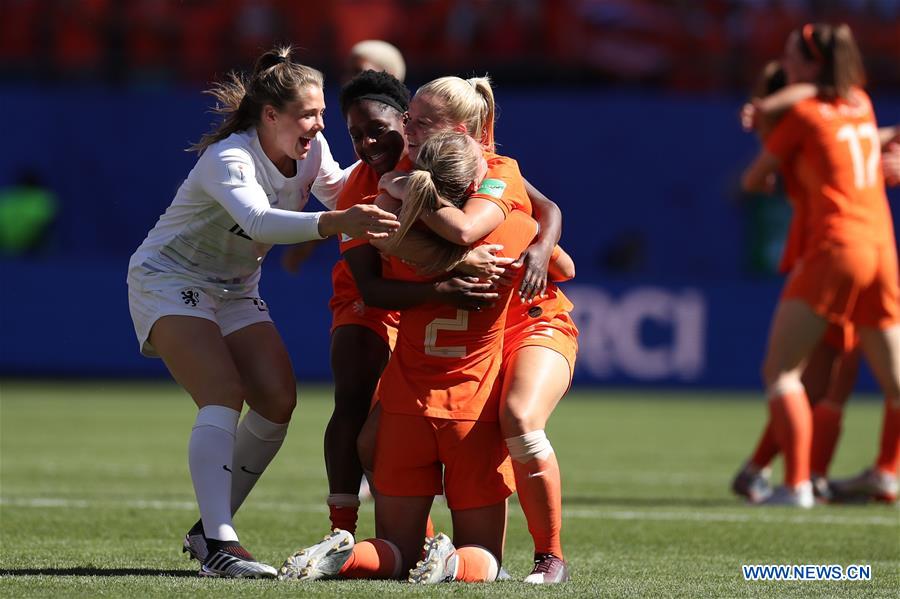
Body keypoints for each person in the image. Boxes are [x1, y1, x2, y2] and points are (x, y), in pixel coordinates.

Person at [126, 46, 399, 578]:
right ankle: (222, 543)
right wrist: (340, 222)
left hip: (233, 287)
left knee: (277, 401)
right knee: (223, 394)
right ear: (270, 115)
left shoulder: (312, 148)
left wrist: (402, 175)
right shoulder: (229, 157)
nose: (320, 124)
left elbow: (343, 188)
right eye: (309, 113)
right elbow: (259, 221)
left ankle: (207, 530)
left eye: (322, 113)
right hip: (169, 277)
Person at [279, 131, 540, 584]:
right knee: (484, 557)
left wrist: (397, 191)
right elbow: (564, 267)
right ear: (474, 181)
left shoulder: (389, 238)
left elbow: (373, 277)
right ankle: (453, 562)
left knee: (397, 552)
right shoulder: (512, 229)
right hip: (471, 411)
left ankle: (347, 557)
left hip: (404, 410)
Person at [387, 75, 577, 582]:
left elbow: (474, 230)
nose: (407, 128)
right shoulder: (412, 168)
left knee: (518, 416)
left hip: (533, 317)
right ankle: (421, 549)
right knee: (371, 434)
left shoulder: (492, 169)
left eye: (421, 121)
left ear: (463, 130)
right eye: (408, 117)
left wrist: (538, 247)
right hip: (485, 328)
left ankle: (550, 557)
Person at [740, 24, 900, 507]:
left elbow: (752, 180)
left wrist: (772, 118)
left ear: (811, 65)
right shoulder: (860, 104)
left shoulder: (804, 117)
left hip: (834, 250)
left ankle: (797, 485)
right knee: (887, 383)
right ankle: (887, 473)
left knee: (783, 373)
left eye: (792, 57)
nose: (787, 66)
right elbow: (847, 108)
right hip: (881, 249)